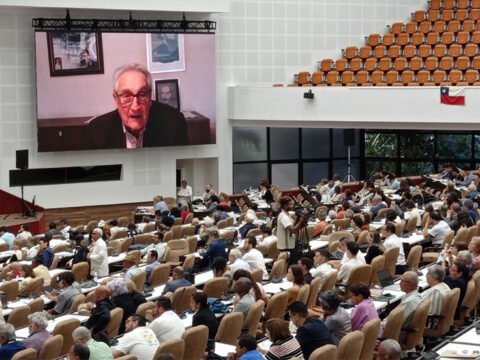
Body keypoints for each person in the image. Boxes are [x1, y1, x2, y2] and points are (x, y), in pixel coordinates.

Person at [88, 63, 188, 149]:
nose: (135, 107)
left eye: (142, 94)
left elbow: (179, 169)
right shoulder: (98, 130)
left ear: (150, 98)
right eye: (127, 95)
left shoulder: (173, 123)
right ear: (116, 99)